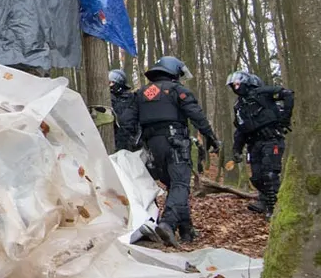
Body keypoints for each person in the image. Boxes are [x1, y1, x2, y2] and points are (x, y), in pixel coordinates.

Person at [124, 56, 220, 246]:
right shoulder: (177, 90)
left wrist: (133, 144)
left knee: (174, 186)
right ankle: (167, 224)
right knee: (180, 185)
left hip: (152, 147)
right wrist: (211, 137)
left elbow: (128, 122)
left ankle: (186, 231)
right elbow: (196, 115)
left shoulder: (140, 93)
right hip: (175, 142)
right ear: (173, 71)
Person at [228, 71, 294, 218]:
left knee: (270, 174)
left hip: (272, 140)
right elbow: (241, 129)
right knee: (257, 177)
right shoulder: (239, 106)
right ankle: (264, 201)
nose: (236, 87)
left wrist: (285, 119)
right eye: (233, 85)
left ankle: (274, 209)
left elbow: (288, 94)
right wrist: (237, 149)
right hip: (254, 144)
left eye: (238, 84)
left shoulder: (264, 93)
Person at [109, 69, 139, 152]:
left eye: (112, 83)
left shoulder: (132, 98)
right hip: (112, 138)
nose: (110, 86)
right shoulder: (107, 99)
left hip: (129, 139)